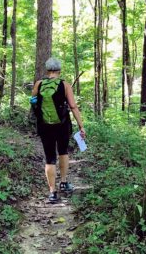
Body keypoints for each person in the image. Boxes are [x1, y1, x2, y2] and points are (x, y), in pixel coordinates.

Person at [31, 57, 86, 203]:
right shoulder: (65, 85)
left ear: (47, 70)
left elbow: (33, 102)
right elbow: (73, 106)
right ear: (59, 70)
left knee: (49, 158)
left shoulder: (39, 84)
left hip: (44, 126)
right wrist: (81, 126)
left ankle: (52, 192)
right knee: (63, 151)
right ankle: (63, 182)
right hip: (62, 125)